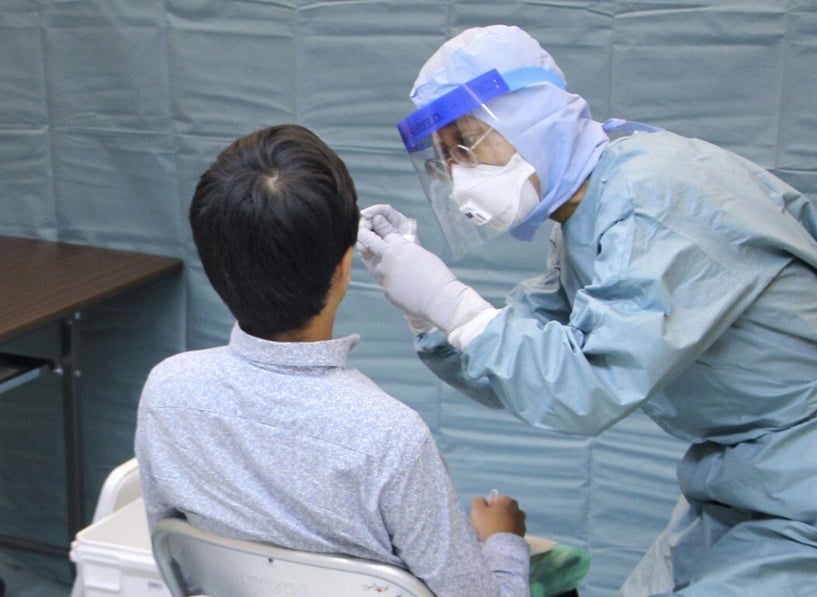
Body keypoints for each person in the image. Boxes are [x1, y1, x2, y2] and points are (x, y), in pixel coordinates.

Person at [357, 25, 817, 596]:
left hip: (811, 494)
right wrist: (430, 319)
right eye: (446, 158)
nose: (459, 177)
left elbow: (586, 386)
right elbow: (525, 361)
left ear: (531, 115)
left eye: (468, 144)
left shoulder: (650, 200)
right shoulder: (588, 213)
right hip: (734, 484)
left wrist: (450, 301)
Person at [134, 124, 532, 596]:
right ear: (344, 266)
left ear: (212, 260)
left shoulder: (168, 392)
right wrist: (503, 543)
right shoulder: (390, 439)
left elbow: (183, 563)